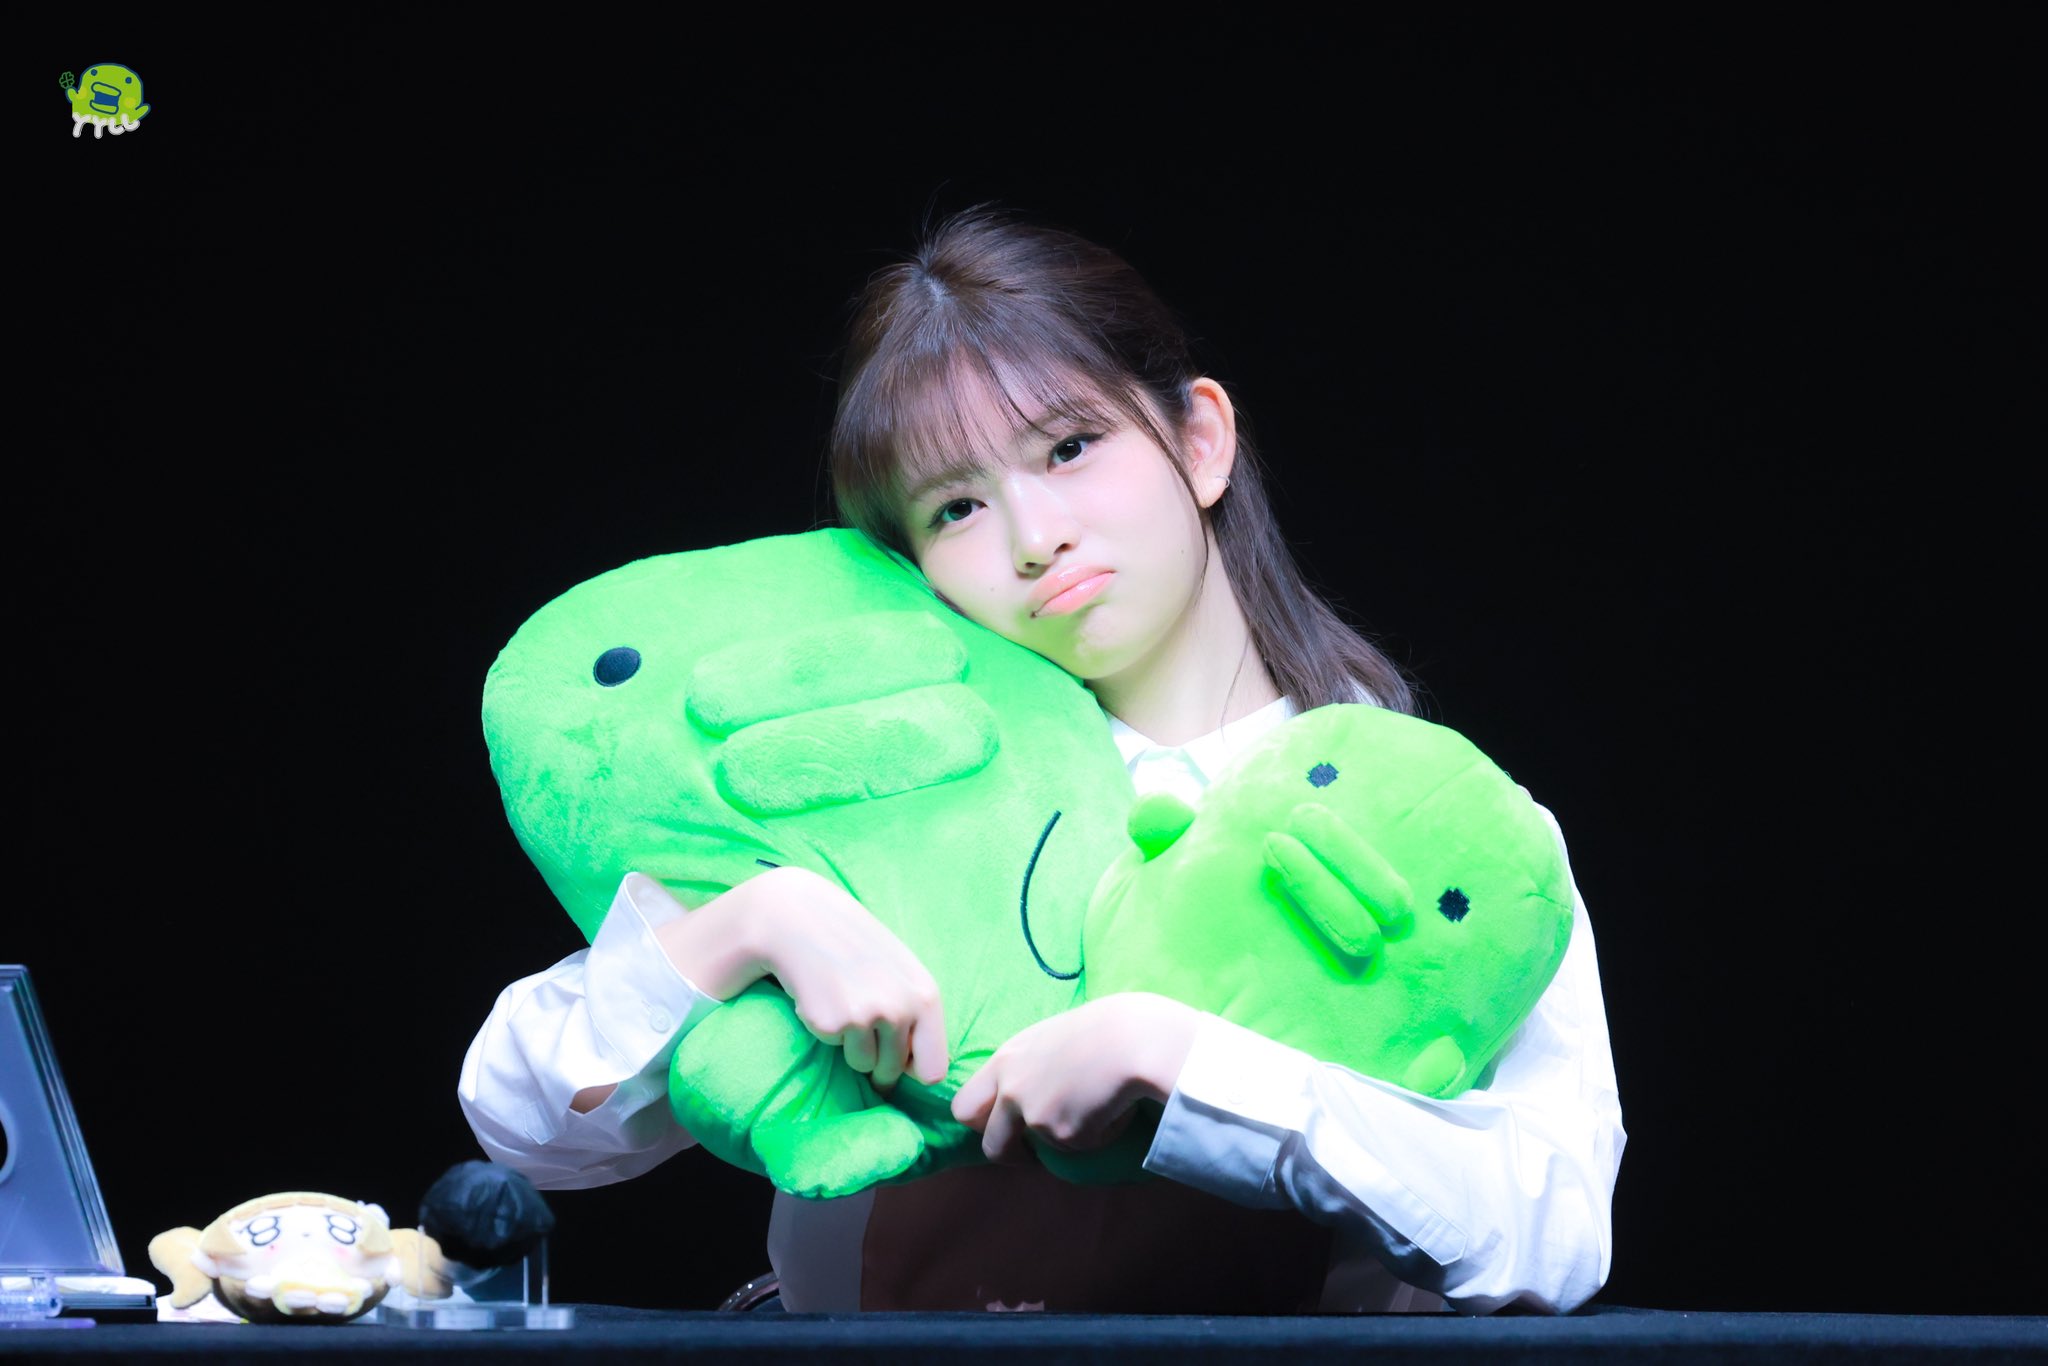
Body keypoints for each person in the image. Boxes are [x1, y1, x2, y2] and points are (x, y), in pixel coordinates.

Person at [460, 208, 1625, 1315]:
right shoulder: (885, 792)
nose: (1033, 537)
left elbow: (1550, 1233)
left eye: (1069, 447)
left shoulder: (1434, 824)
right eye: (954, 508)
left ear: (1199, 440)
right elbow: (524, 1124)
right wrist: (751, 925)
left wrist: (1184, 1065)